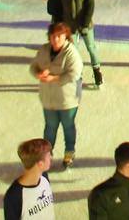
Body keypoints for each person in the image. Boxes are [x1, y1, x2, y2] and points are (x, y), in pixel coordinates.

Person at [30, 22, 83, 169]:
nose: (55, 40)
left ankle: (69, 152)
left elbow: (75, 73)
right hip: (49, 99)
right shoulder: (44, 50)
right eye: (53, 37)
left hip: (67, 99)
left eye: (59, 36)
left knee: (68, 127)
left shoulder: (71, 53)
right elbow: (33, 66)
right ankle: (46, 154)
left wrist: (54, 78)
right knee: (50, 128)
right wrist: (38, 74)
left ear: (65, 36)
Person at [56, 0, 103, 87]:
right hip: (70, 27)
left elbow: (90, 6)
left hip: (85, 25)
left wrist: (85, 23)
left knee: (91, 48)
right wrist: (59, 25)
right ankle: (77, 75)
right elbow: (58, 9)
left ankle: (97, 71)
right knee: (74, 53)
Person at [2, 139, 55, 220]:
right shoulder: (14, 196)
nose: (51, 157)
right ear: (40, 164)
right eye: (48, 155)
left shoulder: (44, 176)